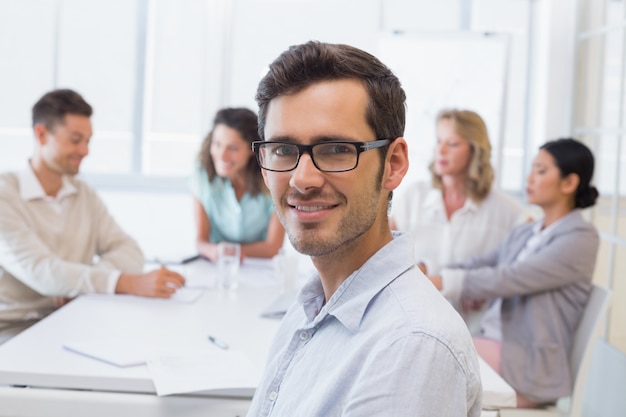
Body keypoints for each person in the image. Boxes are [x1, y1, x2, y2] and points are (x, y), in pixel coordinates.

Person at [247, 41, 482, 416]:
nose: (301, 179)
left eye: (336, 149)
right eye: (283, 149)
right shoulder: (313, 304)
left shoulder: (409, 346)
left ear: (393, 164)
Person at [0, 89, 185, 343]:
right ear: (41, 134)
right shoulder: (5, 196)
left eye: (88, 141)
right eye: (76, 140)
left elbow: (129, 250)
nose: (85, 150)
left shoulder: (82, 193)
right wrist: (125, 282)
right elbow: (43, 273)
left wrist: (75, 283)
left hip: (74, 316)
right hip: (16, 329)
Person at [428, 138, 600, 407]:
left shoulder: (581, 238)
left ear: (569, 183)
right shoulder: (527, 231)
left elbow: (510, 278)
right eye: (532, 169)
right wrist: (430, 272)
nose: (529, 178)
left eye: (541, 171)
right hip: (496, 347)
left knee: (431, 360)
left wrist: (442, 281)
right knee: (429, 356)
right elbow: (483, 263)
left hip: (526, 364)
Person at [390, 108, 526, 333]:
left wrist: (483, 289)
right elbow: (382, 255)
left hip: (475, 335)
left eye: (452, 144)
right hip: (413, 325)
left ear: (475, 150)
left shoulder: (507, 212)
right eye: (438, 141)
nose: (441, 151)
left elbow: (519, 274)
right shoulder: (414, 197)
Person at [191, 107, 284, 262]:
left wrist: (230, 252)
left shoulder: (273, 180)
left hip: (260, 270)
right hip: (217, 266)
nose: (222, 155)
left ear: (251, 150)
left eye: (232, 148)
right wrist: (214, 251)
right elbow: (201, 242)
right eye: (217, 144)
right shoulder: (203, 176)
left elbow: (273, 247)